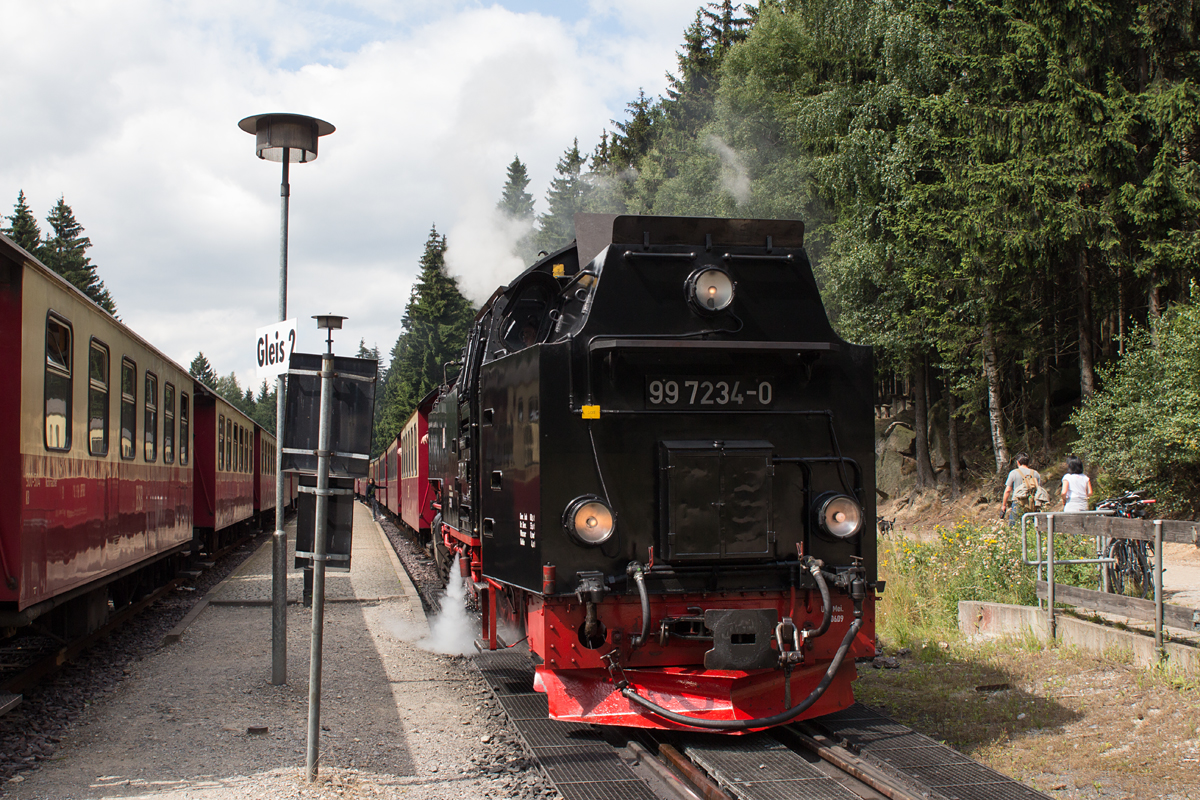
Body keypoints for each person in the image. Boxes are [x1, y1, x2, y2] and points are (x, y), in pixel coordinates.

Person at [1001, 452, 1043, 523]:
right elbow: (1039, 490)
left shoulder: (1013, 473)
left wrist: (1004, 505)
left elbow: (1008, 490)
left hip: (1018, 503)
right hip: (1032, 504)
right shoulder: (1035, 473)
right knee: (1031, 526)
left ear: (1018, 462)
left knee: (1014, 526)